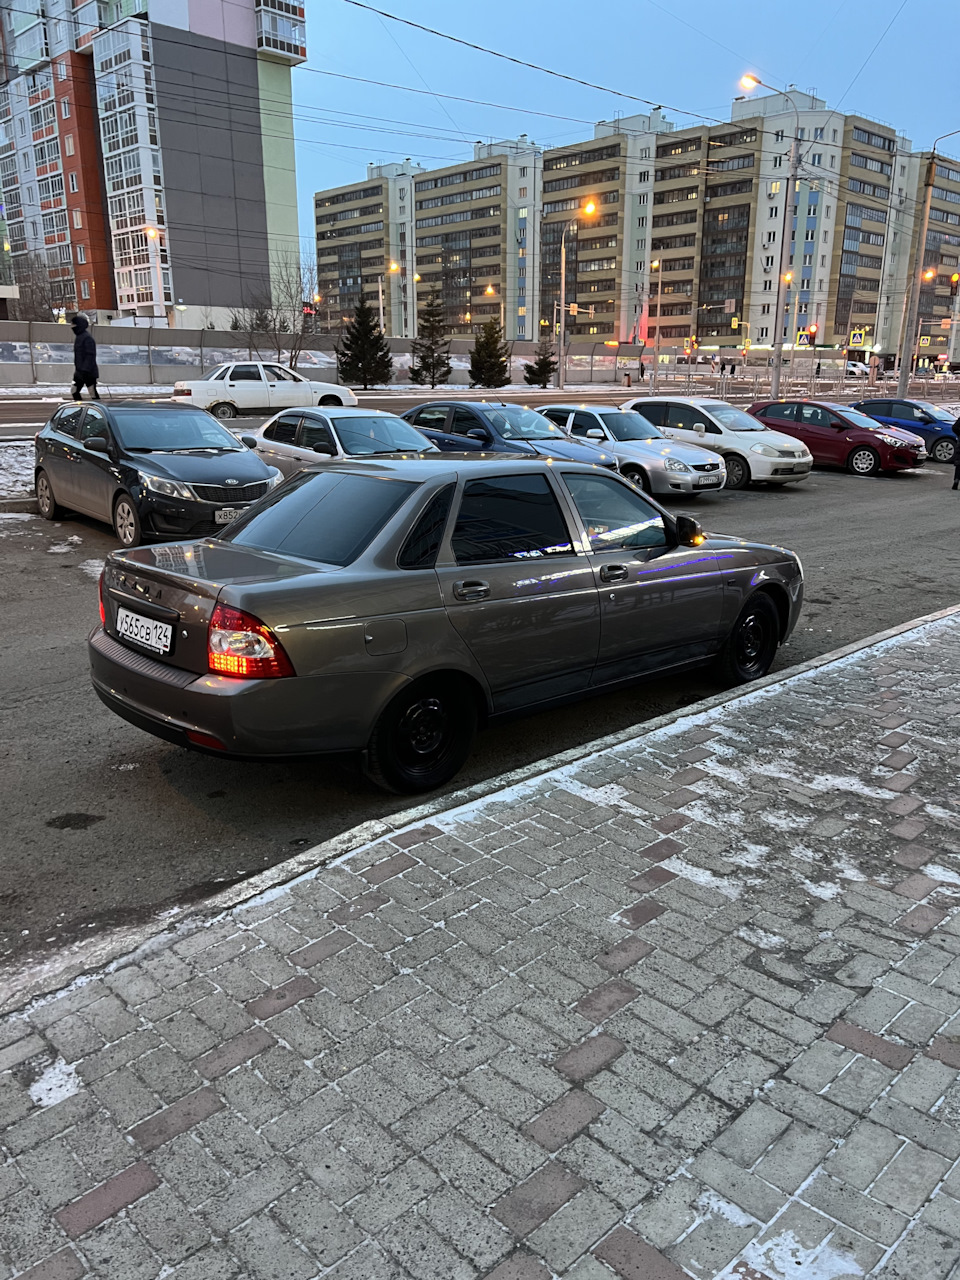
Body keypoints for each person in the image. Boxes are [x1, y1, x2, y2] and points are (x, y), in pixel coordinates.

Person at [70, 315, 99, 400]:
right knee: (74, 390)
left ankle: (97, 409)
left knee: (91, 392)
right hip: (80, 372)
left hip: (88, 372)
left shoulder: (86, 338)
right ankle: (81, 409)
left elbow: (90, 355)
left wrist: (84, 370)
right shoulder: (80, 337)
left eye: (73, 324)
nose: (72, 327)